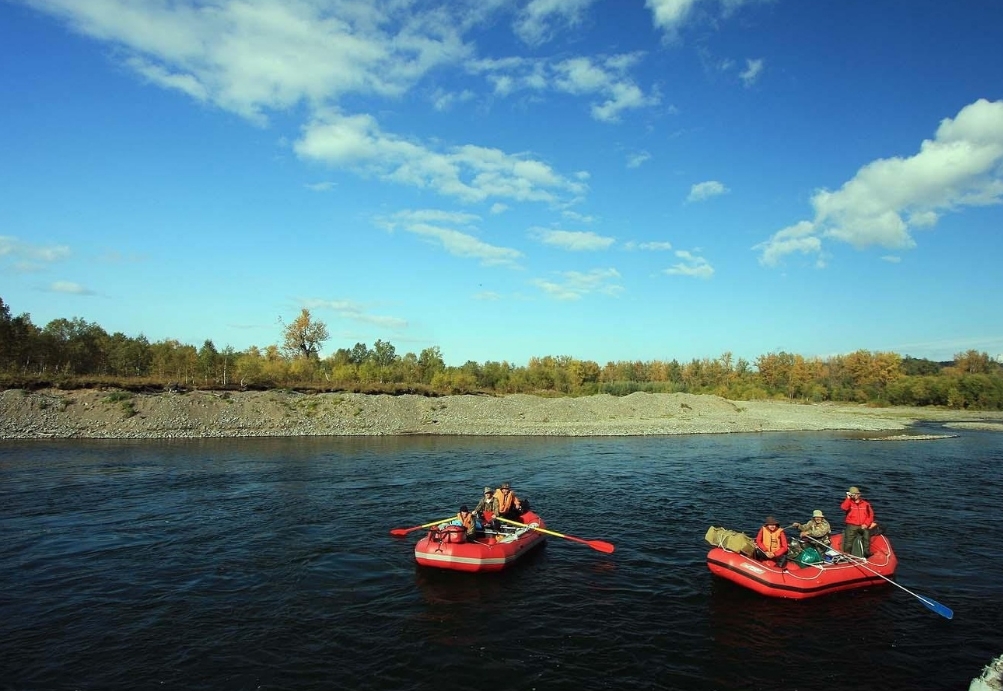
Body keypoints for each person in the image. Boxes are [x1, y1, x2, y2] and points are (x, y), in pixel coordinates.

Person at [841, 486, 877, 558]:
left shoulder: (866, 504)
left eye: (856, 494)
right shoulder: (849, 503)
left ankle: (866, 553)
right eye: (853, 494)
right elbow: (843, 507)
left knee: (866, 536)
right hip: (851, 525)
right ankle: (846, 555)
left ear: (859, 494)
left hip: (863, 525)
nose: (855, 495)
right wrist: (848, 498)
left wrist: (866, 524)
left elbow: (870, 515)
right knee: (848, 542)